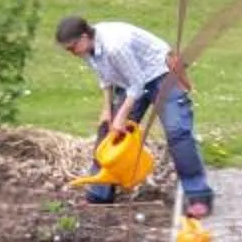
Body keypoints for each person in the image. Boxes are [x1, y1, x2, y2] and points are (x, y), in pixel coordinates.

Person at [55, 14, 213, 216]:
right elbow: (105, 76)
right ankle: (100, 193)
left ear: (85, 36)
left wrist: (122, 116)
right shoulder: (87, 49)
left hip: (159, 73)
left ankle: (198, 195)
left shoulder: (114, 46)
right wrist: (107, 109)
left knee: (178, 132)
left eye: (72, 47)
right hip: (130, 81)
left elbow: (138, 83)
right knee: (108, 132)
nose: (71, 52)